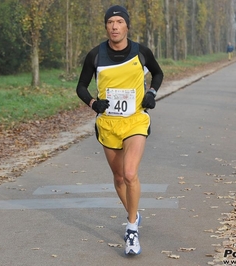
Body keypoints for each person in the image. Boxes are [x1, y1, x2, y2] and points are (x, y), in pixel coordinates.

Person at [75, 5, 164, 256]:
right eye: (110, 22)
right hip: (108, 124)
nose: (114, 26)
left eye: (119, 22)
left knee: (129, 172)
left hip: (135, 119)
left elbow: (158, 73)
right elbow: (81, 87)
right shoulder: (95, 55)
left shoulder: (141, 52)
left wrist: (151, 93)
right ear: (106, 26)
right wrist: (94, 103)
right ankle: (134, 214)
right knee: (117, 178)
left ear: (127, 26)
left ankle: (132, 228)